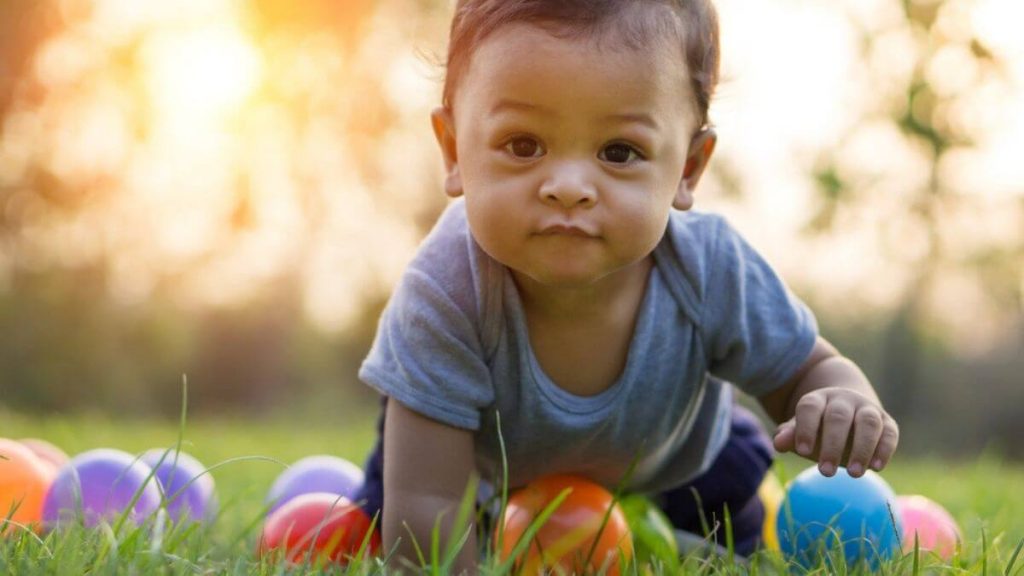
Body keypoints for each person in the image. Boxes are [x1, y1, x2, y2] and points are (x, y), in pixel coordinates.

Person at [353, 0, 899, 571]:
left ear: (688, 169)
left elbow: (809, 369)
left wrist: (842, 399)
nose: (567, 186)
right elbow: (431, 502)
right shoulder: (445, 294)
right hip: (484, 476)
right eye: (522, 145)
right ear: (454, 149)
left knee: (736, 526)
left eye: (619, 152)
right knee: (387, 520)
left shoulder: (711, 268)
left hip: (680, 468)